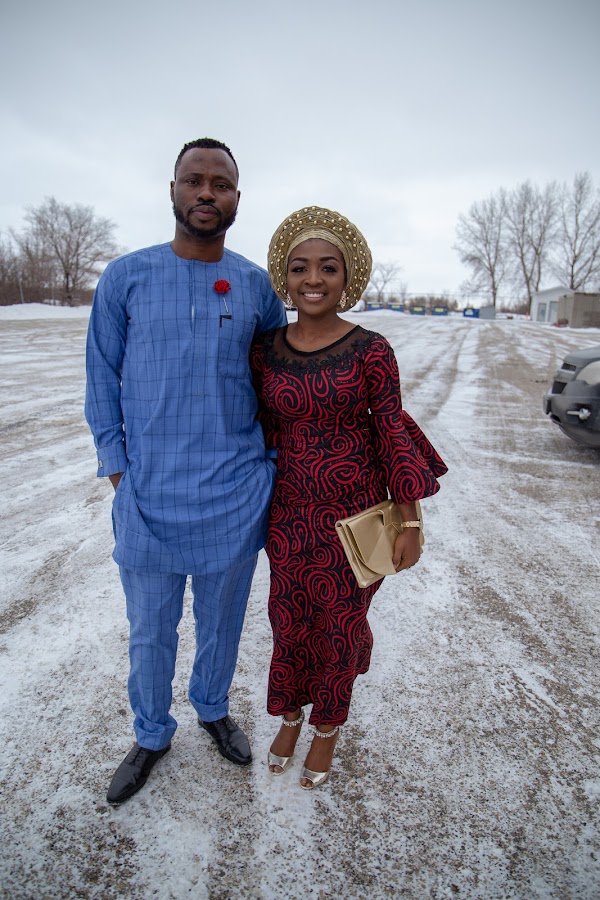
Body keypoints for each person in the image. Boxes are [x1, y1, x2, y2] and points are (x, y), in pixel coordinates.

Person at [85, 138, 286, 804]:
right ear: (172, 190)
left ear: (236, 198)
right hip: (149, 497)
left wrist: (269, 468)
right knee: (150, 631)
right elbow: (100, 377)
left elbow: (279, 385)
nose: (206, 192)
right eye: (194, 180)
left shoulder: (256, 286)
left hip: (235, 496)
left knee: (222, 624)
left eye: (220, 183)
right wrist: (119, 470)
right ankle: (150, 733)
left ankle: (211, 707)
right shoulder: (127, 277)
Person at [249, 206, 448, 790]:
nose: (313, 279)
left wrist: (411, 522)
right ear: (285, 278)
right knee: (288, 619)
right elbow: (255, 428)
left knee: (339, 624)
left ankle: (327, 726)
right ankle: (290, 714)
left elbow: (392, 433)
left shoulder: (371, 349)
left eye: (328, 268)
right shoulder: (263, 350)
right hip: (287, 514)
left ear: (346, 278)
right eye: (300, 267)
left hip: (353, 516)